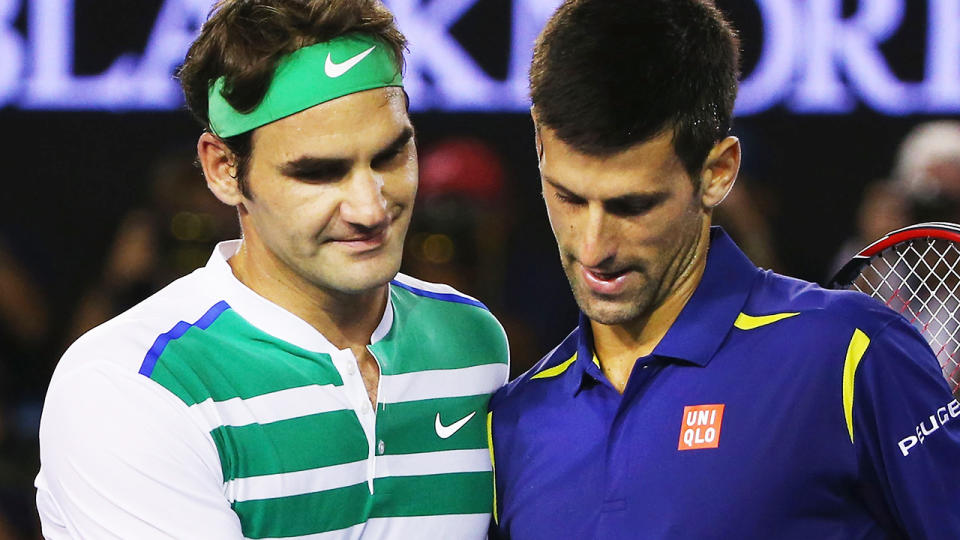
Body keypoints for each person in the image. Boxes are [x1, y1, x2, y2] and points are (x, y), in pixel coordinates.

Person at [35, 1, 509, 538]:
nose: (371, 208)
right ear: (224, 170)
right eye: (319, 173)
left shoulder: (472, 342)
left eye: (390, 156)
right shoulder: (131, 385)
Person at [487, 1, 960, 538]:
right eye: (568, 198)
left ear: (717, 172)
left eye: (633, 205)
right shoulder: (513, 421)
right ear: (539, 149)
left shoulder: (850, 355)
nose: (594, 247)